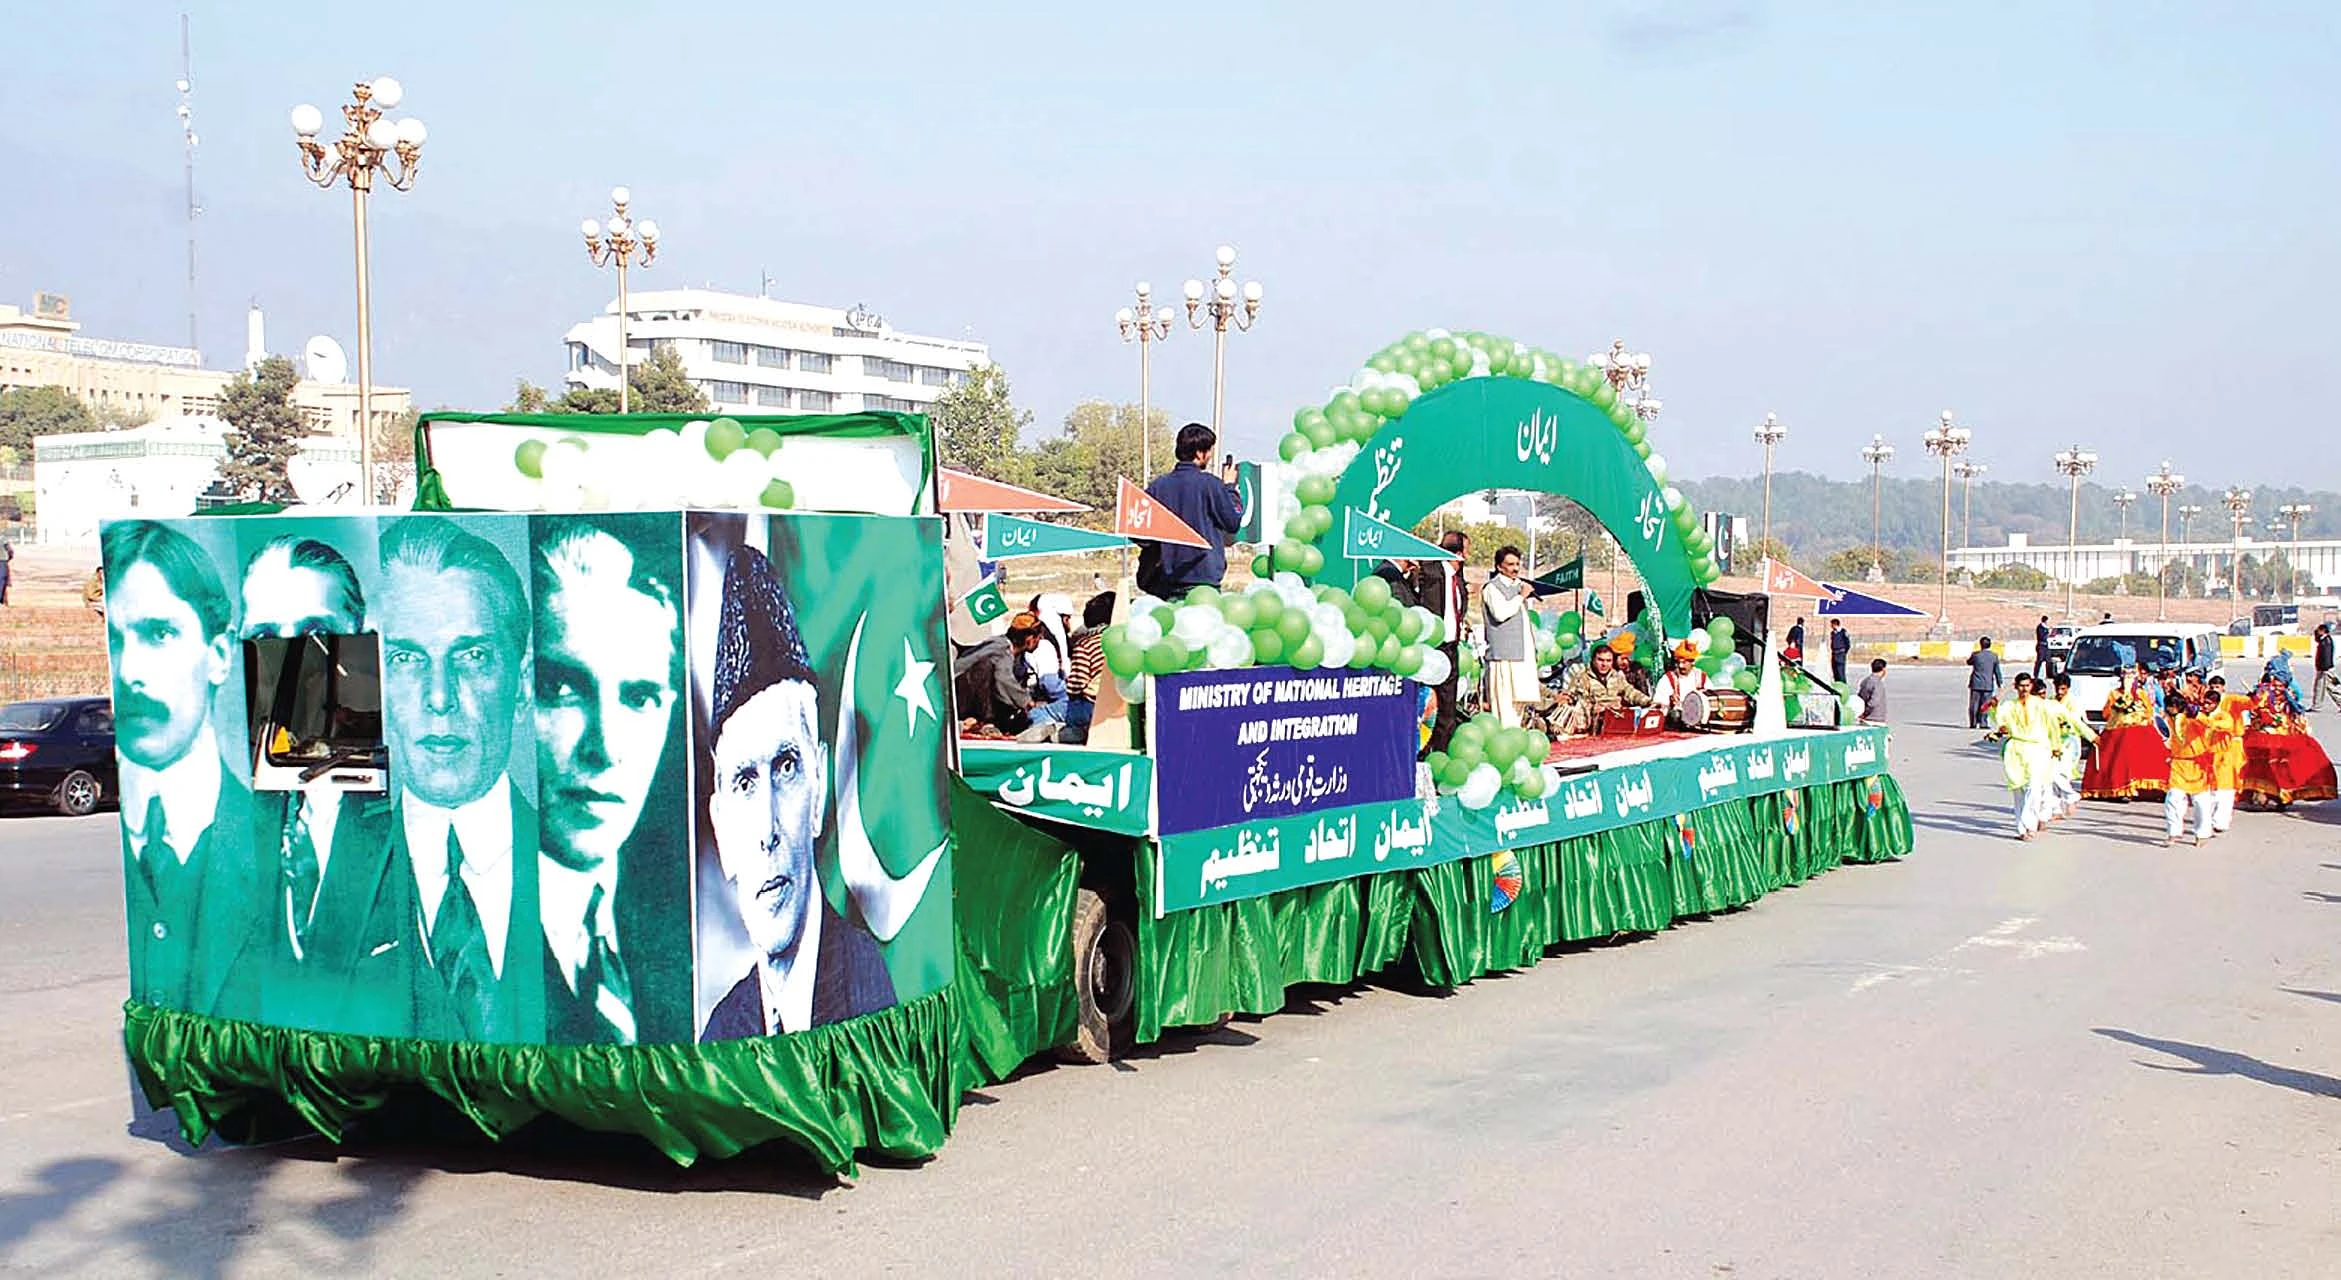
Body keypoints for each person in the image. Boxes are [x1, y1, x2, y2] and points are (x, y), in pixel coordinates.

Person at [699, 544, 897, 1040]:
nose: (767, 830)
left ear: (819, 782)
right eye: (744, 782)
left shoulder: (869, 987)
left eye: (785, 768)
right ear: (721, 826)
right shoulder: (724, 1028)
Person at [373, 519, 544, 1043]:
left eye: (472, 657)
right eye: (405, 659)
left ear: (521, 686)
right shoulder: (331, 881)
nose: (440, 696)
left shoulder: (591, 881)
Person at [235, 535, 403, 1036]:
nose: (291, 659)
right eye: (265, 635)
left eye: (316, 632)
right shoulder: (227, 819)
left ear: (362, 636)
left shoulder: (419, 806)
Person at [530, 521, 684, 1045]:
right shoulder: (456, 936)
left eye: (639, 698)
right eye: (561, 688)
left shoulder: (685, 932)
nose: (606, 747)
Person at [105, 521, 261, 1019]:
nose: (129, 672)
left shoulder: (280, 845)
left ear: (218, 654)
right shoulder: (107, 851)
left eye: (159, 633)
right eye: (114, 638)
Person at [1135, 422, 1243, 601]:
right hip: (1203, 581)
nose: (1209, 457)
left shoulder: (1157, 487)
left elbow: (1139, 532)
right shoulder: (1211, 484)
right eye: (1209, 452)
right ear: (1200, 453)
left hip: (1166, 580)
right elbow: (1232, 522)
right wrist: (1230, 487)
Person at [2082, 663, 2169, 801]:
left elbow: (2149, 711)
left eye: (2130, 677)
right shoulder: (2114, 694)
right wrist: (2118, 707)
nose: (2127, 681)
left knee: (2148, 757)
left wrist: (2138, 713)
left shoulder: (2141, 693)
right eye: (2125, 677)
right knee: (2118, 759)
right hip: (2118, 731)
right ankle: (2120, 788)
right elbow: (2106, 713)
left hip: (2140, 729)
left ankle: (2153, 787)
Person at [1987, 672, 2059, 840]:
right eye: (2021, 686)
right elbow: (1998, 720)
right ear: (2016, 687)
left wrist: (2055, 745)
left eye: (2027, 686)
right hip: (2016, 750)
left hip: (2037, 749)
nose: (2024, 689)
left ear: (2031, 686)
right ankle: (2021, 829)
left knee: (2033, 788)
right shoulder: (2009, 706)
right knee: (2018, 790)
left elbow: (2052, 725)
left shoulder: (2041, 705)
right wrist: (1994, 707)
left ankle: (2030, 825)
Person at [954, 611, 1048, 738]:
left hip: (969, 694)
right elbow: (1003, 679)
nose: (1039, 641)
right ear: (1029, 640)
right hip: (959, 695)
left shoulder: (1018, 656)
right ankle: (986, 722)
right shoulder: (1001, 649)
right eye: (1038, 637)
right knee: (986, 666)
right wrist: (1027, 702)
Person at [1535, 641, 1651, 738]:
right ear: (1593, 660)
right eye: (1600, 660)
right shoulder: (1582, 676)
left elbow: (1630, 692)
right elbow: (1568, 697)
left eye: (1608, 661)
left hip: (1615, 722)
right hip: (1591, 725)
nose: (1604, 664)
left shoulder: (1616, 676)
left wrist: (1648, 701)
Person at [1421, 531, 1469, 753]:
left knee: (1448, 708)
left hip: (1451, 648)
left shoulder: (1458, 578)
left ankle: (1440, 753)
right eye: (1465, 550)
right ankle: (1421, 753)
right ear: (1457, 552)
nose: (1467, 556)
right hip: (1432, 649)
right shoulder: (1431, 571)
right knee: (1427, 703)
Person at [1481, 545, 1537, 727]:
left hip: (1521, 656)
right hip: (1503, 657)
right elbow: (1500, 613)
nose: (1515, 568)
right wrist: (1521, 596)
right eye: (1510, 564)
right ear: (1499, 566)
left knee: (1518, 703)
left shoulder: (1519, 586)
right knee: (1503, 706)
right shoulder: (1492, 588)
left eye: (1517, 564)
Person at [1060, 592, 1113, 745]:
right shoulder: (1125, 639)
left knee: (1041, 713)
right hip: (1119, 705)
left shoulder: (1085, 645)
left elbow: (1076, 687)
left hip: (1093, 707)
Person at [2044, 673, 2097, 821]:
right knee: (2051, 774)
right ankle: (2056, 808)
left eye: (2063, 689)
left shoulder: (2074, 703)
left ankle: (2069, 797)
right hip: (2053, 741)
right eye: (2058, 689)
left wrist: (2091, 737)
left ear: (2068, 688)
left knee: (2062, 773)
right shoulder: (2050, 702)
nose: (2060, 692)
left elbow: (2076, 722)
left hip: (2069, 741)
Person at [1022, 592, 1077, 728]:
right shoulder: (1044, 644)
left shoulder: (1046, 640)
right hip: (1038, 702)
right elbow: (1050, 685)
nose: (1069, 625)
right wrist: (1074, 692)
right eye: (1067, 619)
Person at [1655, 641, 1708, 724]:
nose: (1681, 666)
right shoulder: (1668, 679)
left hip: (1701, 725)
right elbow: (1658, 705)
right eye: (1678, 663)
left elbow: (1711, 699)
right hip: (1676, 725)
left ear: (1692, 662)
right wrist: (1668, 706)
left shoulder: (1701, 677)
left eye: (1684, 662)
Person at [1966, 636, 2003, 730]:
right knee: (1986, 704)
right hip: (1988, 684)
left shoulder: (1975, 655)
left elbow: (1969, 662)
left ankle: (1973, 723)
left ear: (1980, 645)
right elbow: (1997, 671)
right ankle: (1983, 723)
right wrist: (2000, 683)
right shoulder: (1994, 656)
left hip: (1976, 683)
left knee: (1974, 704)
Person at [1856, 658, 1889, 724]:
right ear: (1883, 669)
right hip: (1876, 718)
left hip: (1864, 719)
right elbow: (1873, 702)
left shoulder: (1865, 681)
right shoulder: (1878, 684)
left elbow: (1860, 698)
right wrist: (1865, 713)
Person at [2313, 623, 2337, 711]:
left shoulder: (2326, 641)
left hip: (2325, 668)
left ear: (2323, 631)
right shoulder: (2323, 639)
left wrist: (2325, 668)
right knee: (2319, 687)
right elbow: (2317, 638)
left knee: (2331, 688)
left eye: (2319, 630)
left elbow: (2326, 656)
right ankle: (2316, 705)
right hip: (2322, 668)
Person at [1828, 619, 1851, 685]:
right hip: (1834, 654)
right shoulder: (1833, 633)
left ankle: (1843, 686)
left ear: (1835, 624)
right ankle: (1837, 686)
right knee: (1835, 672)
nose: (1831, 626)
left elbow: (1848, 644)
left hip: (1840, 654)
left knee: (1841, 672)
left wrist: (1843, 652)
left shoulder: (1843, 632)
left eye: (1832, 624)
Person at [2033, 615, 2053, 681]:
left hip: (2046, 645)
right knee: (2039, 660)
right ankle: (2035, 675)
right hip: (2041, 646)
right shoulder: (2040, 627)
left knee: (2048, 661)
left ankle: (2049, 674)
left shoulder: (2046, 627)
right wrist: (2047, 632)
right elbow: (2042, 637)